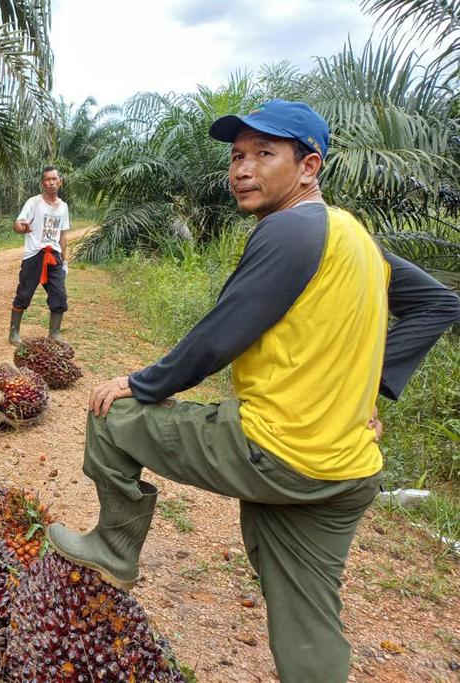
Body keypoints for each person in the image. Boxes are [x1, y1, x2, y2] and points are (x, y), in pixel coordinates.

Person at [45, 100, 460, 682]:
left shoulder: (289, 228)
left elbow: (220, 336)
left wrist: (139, 383)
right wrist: (368, 393)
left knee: (113, 417)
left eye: (264, 154)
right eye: (237, 156)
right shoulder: (352, 235)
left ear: (309, 166)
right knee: (307, 621)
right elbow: (439, 303)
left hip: (276, 450)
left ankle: (115, 548)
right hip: (346, 471)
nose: (242, 169)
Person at [9, 166, 70, 345]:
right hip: (34, 256)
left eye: (54, 179)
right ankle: (14, 333)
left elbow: (63, 235)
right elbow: (18, 224)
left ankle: (54, 333)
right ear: (42, 183)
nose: (51, 183)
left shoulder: (63, 207)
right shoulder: (34, 202)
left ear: (60, 181)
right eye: (47, 179)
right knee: (24, 294)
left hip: (54, 256)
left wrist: (65, 262)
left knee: (59, 295)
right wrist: (22, 228)